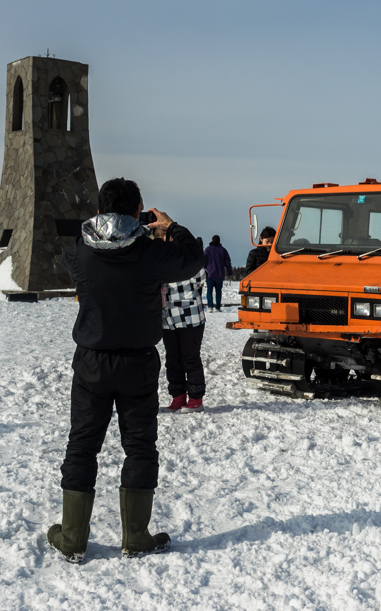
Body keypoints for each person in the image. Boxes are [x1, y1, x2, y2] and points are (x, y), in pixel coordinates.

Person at [47, 177, 204, 563]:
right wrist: (170, 227)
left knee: (82, 445)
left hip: (91, 362)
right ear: (139, 212)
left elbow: (73, 249)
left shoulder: (80, 252)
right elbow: (192, 259)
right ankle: (135, 536)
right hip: (137, 362)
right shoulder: (149, 253)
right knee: (139, 447)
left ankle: (72, 537)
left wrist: (101, 221)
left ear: (100, 211)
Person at [161, 234, 208, 412]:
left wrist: (192, 254)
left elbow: (201, 276)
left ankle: (196, 398)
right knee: (172, 360)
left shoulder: (193, 266)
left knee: (190, 359)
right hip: (168, 320)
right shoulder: (163, 266)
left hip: (190, 319)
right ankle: (178, 396)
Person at [203, 235, 233, 310]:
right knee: (218, 292)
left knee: (209, 291)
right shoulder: (223, 250)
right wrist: (230, 273)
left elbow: (203, 262)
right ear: (219, 241)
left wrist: (202, 272)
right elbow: (228, 262)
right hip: (220, 274)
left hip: (209, 274)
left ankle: (210, 307)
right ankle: (218, 307)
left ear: (212, 240)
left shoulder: (207, 250)